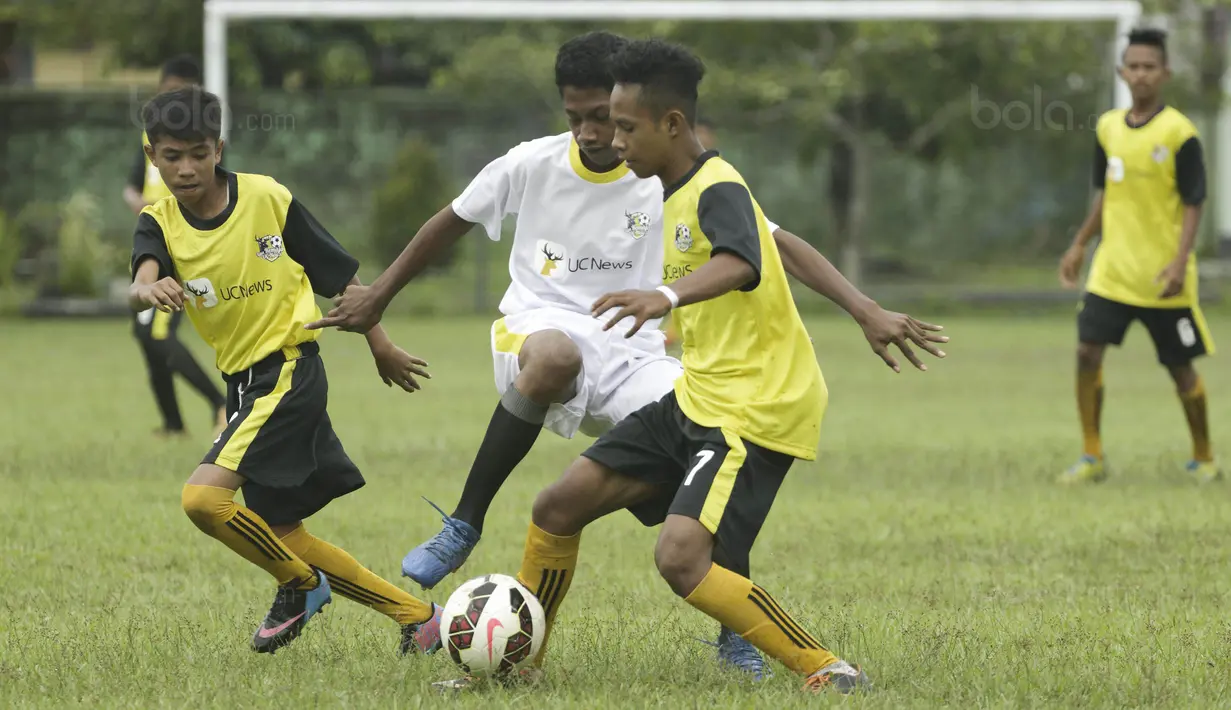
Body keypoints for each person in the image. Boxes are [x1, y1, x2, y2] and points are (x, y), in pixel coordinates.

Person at [309, 30, 937, 680]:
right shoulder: (640, 178)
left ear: (665, 123)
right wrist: (864, 310)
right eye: (591, 121)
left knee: (680, 555)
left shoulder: (714, 187)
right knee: (557, 507)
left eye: (621, 127)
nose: (609, 139)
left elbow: (747, 259)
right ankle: (517, 661)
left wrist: (665, 296)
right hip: (691, 394)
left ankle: (822, 667)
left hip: (749, 407)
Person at [129, 85, 443, 655]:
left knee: (203, 501)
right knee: (283, 533)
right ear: (152, 157)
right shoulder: (160, 223)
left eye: (198, 152)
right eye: (171, 156)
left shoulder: (267, 198)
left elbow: (340, 278)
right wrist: (149, 287)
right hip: (244, 383)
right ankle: (419, 618)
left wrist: (381, 345)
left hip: (289, 373)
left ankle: (299, 584)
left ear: (218, 148)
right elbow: (140, 278)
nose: (186, 168)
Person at [1058, 28, 1217, 484]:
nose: (1142, 74)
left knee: (1181, 369)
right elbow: (1106, 193)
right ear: (1121, 72)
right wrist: (1080, 243)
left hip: (1163, 276)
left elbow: (1194, 202)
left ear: (1165, 73)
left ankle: (1204, 458)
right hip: (1112, 272)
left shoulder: (1180, 133)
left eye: (1151, 67)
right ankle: (1092, 456)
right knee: (1087, 353)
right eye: (1134, 66)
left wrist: (1179, 261)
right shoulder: (1108, 127)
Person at [123, 55, 227, 437]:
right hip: (151, 235)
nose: (184, 166)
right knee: (145, 335)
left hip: (180, 242)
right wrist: (135, 200)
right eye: (166, 93)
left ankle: (221, 403)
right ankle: (172, 422)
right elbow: (132, 183)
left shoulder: (202, 143)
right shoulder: (150, 139)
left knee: (158, 334)